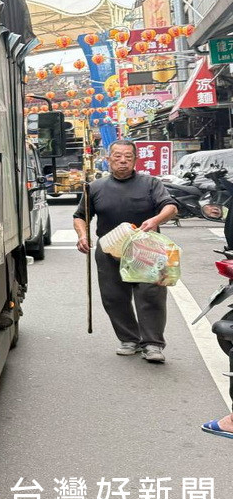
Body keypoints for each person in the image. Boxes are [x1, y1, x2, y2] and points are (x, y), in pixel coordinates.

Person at [73, 140, 178, 363]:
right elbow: (80, 215)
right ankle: (129, 339)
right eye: (118, 156)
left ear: (135, 160)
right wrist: (83, 235)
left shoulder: (150, 183)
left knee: (151, 295)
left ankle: (152, 344)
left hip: (146, 247)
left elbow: (171, 207)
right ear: (108, 159)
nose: (122, 161)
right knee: (114, 297)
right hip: (110, 248)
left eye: (128, 157)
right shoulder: (95, 187)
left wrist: (156, 219)